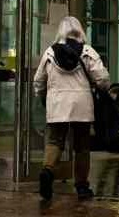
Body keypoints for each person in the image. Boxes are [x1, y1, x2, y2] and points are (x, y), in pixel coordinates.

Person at [32, 16, 110, 203]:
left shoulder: (50, 53)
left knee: (55, 142)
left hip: (57, 105)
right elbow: (103, 79)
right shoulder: (88, 51)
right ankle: (82, 186)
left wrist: (43, 96)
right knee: (82, 147)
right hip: (81, 107)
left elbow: (38, 81)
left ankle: (48, 171)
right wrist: (103, 89)